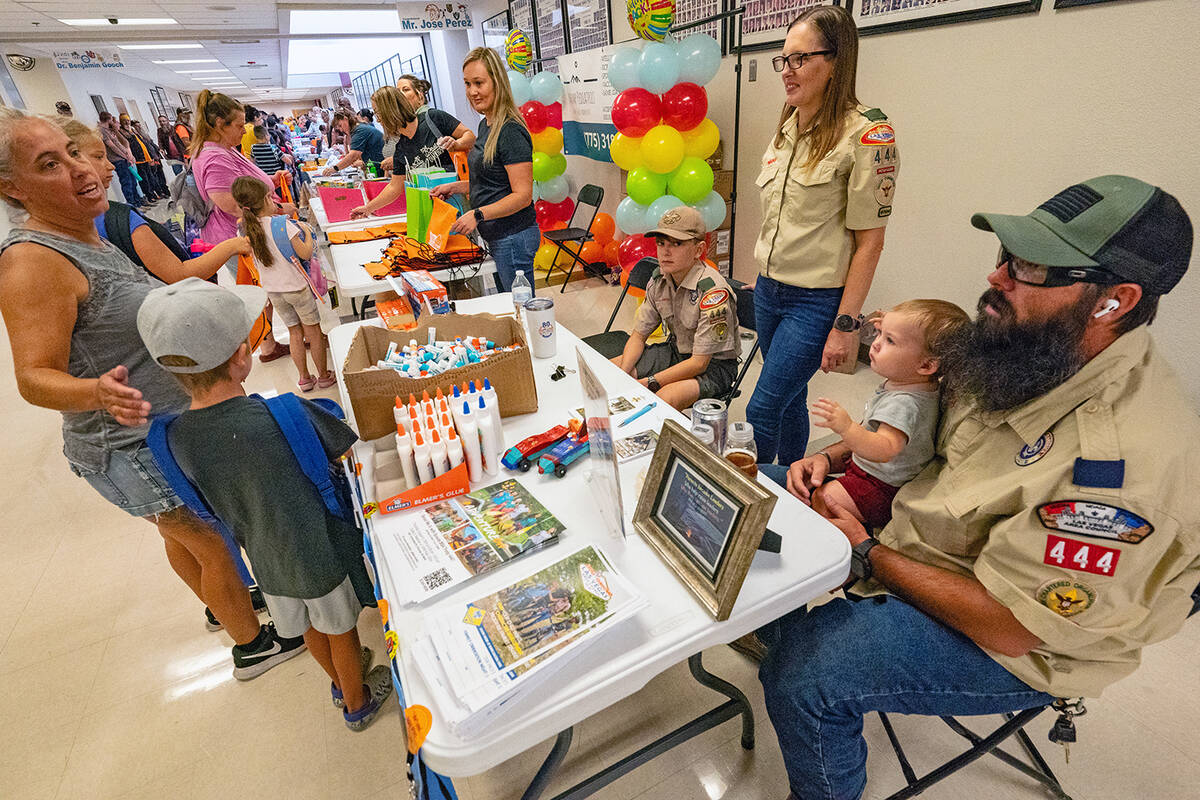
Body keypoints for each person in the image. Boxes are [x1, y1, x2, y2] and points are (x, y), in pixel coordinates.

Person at [756, 175, 1199, 800]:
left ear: (1114, 300)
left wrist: (861, 549)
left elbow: (1013, 626)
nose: (997, 279)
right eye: (1006, 256)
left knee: (805, 672)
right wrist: (831, 458)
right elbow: (918, 432)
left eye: (1032, 268)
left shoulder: (1120, 472)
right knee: (755, 492)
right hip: (919, 534)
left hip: (1016, 641)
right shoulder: (1029, 348)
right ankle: (774, 625)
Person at [0, 108, 301, 678]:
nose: (80, 169)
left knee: (183, 532)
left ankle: (226, 605)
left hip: (157, 426)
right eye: (48, 165)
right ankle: (253, 645)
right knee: (208, 538)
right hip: (126, 442)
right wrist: (96, 391)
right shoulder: (33, 262)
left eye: (70, 151)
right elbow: (33, 376)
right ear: (11, 189)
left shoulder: (83, 232)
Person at [136, 278, 394, 729]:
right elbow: (345, 447)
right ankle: (357, 701)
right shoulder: (286, 413)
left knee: (308, 627)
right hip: (318, 549)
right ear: (242, 357)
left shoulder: (170, 437)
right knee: (342, 630)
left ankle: (338, 682)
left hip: (264, 557)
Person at [747, 5, 898, 467]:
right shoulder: (789, 125)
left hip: (815, 302)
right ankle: (793, 485)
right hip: (769, 291)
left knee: (760, 409)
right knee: (790, 399)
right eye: (783, 60)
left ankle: (754, 497)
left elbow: (870, 241)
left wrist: (845, 326)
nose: (786, 72)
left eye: (799, 59)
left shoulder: (868, 135)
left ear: (835, 62)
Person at [782, 299, 968, 531]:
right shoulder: (914, 384)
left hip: (880, 486)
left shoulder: (905, 403)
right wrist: (892, 327)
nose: (876, 344)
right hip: (873, 475)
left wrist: (847, 428)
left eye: (890, 340)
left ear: (926, 366)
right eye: (880, 334)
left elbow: (884, 449)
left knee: (824, 498)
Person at [60, 118, 250, 281]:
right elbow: (179, 273)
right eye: (99, 157)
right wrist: (232, 245)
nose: (110, 165)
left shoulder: (58, 230)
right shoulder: (121, 220)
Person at [189, 89, 293, 361]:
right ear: (219, 125)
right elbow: (230, 203)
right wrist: (279, 208)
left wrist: (271, 178)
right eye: (238, 126)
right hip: (236, 236)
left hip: (245, 233)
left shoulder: (224, 150)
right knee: (260, 291)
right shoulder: (214, 157)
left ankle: (268, 344)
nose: (243, 131)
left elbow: (244, 185)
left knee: (262, 291)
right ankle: (266, 345)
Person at [430, 48, 538, 292]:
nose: (472, 92)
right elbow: (494, 183)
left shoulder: (510, 131)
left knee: (520, 310)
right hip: (499, 236)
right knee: (510, 306)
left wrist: (478, 214)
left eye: (479, 83)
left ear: (497, 82)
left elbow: (522, 196)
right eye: (468, 84)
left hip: (514, 236)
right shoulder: (486, 123)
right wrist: (456, 187)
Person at [613, 207, 739, 410]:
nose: (665, 251)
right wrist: (623, 375)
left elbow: (699, 364)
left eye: (677, 243)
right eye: (661, 243)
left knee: (661, 398)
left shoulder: (712, 293)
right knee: (611, 369)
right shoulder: (659, 280)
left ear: (698, 250)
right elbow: (638, 336)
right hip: (677, 352)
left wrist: (648, 383)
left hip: (714, 367)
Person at [231, 176, 334, 391]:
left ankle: (304, 378)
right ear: (266, 199)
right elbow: (304, 254)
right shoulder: (282, 224)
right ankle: (323, 376)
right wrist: (306, 231)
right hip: (297, 288)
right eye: (270, 196)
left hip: (274, 291)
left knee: (294, 332)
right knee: (313, 332)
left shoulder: (244, 230)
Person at [348, 86, 474, 220]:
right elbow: (394, 187)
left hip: (461, 204)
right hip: (434, 214)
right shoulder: (401, 149)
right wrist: (368, 208)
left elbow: (470, 136)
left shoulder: (433, 119)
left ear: (391, 109)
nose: (378, 120)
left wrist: (457, 144)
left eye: (378, 113)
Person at [97, 111, 146, 207]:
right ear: (109, 119)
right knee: (126, 182)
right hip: (117, 160)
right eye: (112, 119)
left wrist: (128, 154)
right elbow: (112, 147)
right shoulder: (102, 131)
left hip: (124, 158)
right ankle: (133, 205)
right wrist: (125, 156)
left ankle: (138, 203)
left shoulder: (109, 130)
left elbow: (119, 144)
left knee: (133, 181)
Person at [121, 115, 169, 201]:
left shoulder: (134, 132)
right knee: (143, 179)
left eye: (128, 120)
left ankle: (157, 193)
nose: (127, 122)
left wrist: (153, 155)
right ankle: (150, 196)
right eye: (124, 120)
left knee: (151, 177)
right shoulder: (123, 133)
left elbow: (147, 144)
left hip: (147, 158)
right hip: (138, 160)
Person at [321, 110, 384, 174]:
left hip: (381, 168)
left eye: (340, 125)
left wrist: (334, 169)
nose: (341, 130)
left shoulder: (360, 130)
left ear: (345, 119)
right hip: (376, 167)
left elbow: (353, 155)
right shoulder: (357, 129)